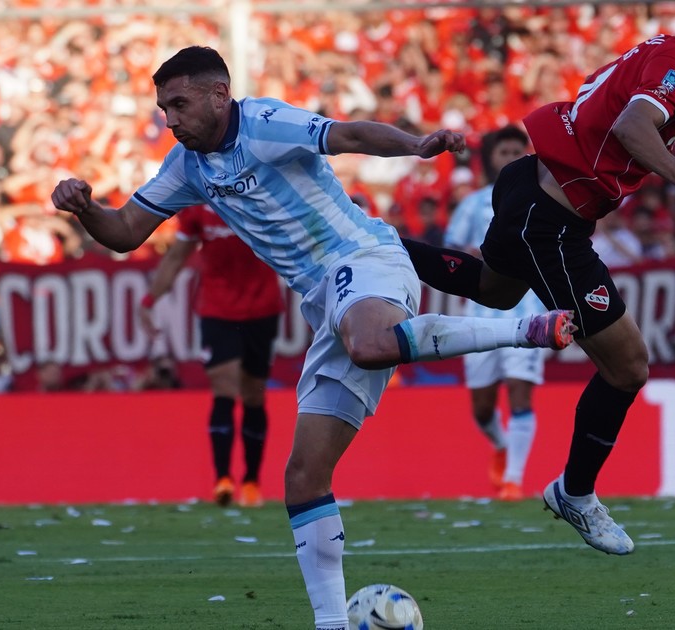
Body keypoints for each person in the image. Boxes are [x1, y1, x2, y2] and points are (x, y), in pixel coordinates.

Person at [50, 46, 574, 630]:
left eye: (179, 104)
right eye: (163, 109)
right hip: (327, 303)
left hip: (366, 257)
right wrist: (86, 208)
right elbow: (126, 231)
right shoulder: (187, 166)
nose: (170, 119)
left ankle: (523, 329)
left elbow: (348, 135)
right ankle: (331, 624)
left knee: (369, 343)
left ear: (219, 95)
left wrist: (416, 145)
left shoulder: (265, 123)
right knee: (303, 477)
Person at [399, 0, 675, 555]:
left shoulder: (665, 55)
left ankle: (376, 244)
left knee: (494, 290)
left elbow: (605, 108)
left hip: (529, 184)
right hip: (552, 221)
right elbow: (631, 124)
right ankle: (575, 492)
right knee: (628, 367)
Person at [138, 205, 285, 508]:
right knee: (224, 387)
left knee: (253, 394)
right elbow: (176, 256)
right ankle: (222, 478)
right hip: (217, 310)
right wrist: (150, 299)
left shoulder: (261, 195)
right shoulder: (198, 208)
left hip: (262, 308)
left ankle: (252, 481)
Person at [444, 126, 546, 501]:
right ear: (491, 158)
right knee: (483, 409)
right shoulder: (473, 204)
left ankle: (513, 481)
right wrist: (470, 257)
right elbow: (451, 251)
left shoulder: (544, 199)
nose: (511, 157)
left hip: (530, 312)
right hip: (481, 315)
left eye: (518, 151)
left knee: (520, 395)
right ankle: (501, 446)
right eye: (504, 151)